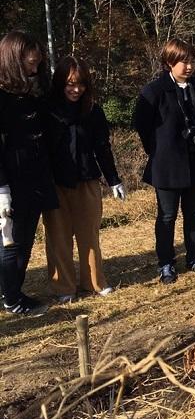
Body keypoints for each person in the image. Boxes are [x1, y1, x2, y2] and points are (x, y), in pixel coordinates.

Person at [43, 56, 126, 303]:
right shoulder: (47, 110)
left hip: (87, 180)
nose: (76, 89)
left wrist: (114, 180)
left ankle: (94, 282)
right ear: (60, 83)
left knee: (89, 234)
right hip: (55, 183)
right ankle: (63, 287)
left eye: (81, 84)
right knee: (58, 237)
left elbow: (103, 147)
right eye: (70, 83)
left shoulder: (92, 110)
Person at [133, 38, 195, 284]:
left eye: (192, 61)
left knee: (193, 212)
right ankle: (166, 262)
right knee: (167, 216)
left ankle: (194, 257)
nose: (189, 67)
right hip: (167, 163)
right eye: (183, 62)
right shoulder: (154, 90)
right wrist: (157, 149)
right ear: (169, 62)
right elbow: (141, 124)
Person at [0, 31, 58, 316]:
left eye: (37, 64)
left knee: (24, 239)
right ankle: (11, 298)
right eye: (30, 64)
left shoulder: (30, 92)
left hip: (34, 178)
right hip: (10, 182)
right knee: (10, 240)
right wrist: (2, 189)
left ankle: (12, 290)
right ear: (13, 60)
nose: (35, 70)